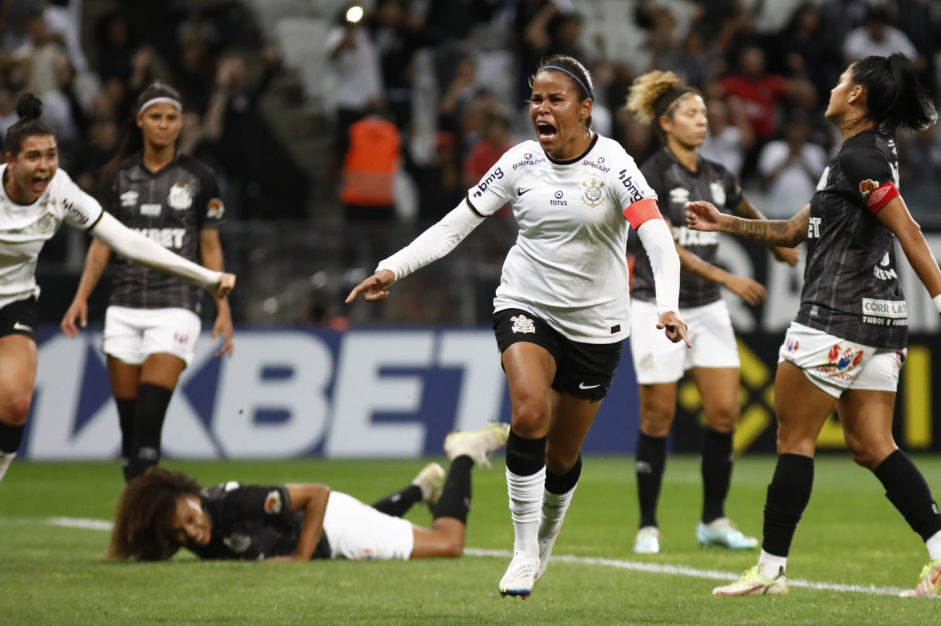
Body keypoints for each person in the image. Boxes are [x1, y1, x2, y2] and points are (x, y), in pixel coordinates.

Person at [346, 55, 690, 599]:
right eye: (535, 99)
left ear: (585, 109)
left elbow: (654, 235)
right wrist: (393, 267)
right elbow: (455, 225)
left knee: (563, 457)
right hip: (525, 302)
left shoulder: (614, 163)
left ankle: (543, 541)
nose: (542, 109)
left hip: (598, 324)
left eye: (555, 100)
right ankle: (523, 550)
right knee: (529, 413)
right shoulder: (519, 162)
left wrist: (667, 305)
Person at [686, 53, 941, 598]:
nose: (833, 84)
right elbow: (793, 231)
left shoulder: (862, 157)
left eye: (842, 78)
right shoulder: (856, 156)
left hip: (835, 317)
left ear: (857, 98)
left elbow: (910, 231)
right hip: (881, 321)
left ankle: (771, 569)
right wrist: (724, 220)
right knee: (873, 445)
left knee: (793, 437)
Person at [0, 93, 235, 484]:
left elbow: (126, 241)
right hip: (124, 308)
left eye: (51, 155)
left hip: (14, 301)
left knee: (17, 402)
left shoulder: (59, 189)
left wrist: (207, 279)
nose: (45, 167)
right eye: (33, 157)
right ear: (9, 160)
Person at [623, 70, 799, 556]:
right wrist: (730, 279)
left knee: (725, 412)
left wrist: (781, 245)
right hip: (657, 305)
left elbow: (747, 210)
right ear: (666, 122)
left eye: (705, 113)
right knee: (658, 415)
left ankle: (713, 520)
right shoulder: (650, 174)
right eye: (692, 113)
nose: (704, 121)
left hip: (707, 310)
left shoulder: (718, 176)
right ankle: (647, 525)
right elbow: (669, 246)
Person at [108, 423, 510, 562]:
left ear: (193, 498)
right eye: (180, 534)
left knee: (448, 544)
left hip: (334, 527)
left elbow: (316, 493)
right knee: (372, 524)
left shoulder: (235, 504)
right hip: (332, 528)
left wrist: (299, 558)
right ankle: (420, 489)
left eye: (190, 521)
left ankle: (463, 453)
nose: (191, 533)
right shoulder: (188, 524)